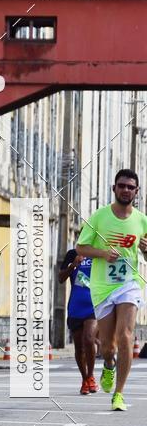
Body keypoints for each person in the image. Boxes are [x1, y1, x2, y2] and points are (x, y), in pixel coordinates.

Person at [76, 169, 147, 411]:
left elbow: (145, 252)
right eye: (122, 186)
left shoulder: (141, 220)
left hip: (129, 283)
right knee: (108, 346)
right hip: (102, 286)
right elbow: (81, 247)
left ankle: (119, 394)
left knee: (126, 335)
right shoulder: (98, 217)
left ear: (136, 192)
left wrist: (146, 249)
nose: (126, 190)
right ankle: (108, 364)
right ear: (114, 188)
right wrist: (104, 253)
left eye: (130, 187)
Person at [58, 250, 98, 394]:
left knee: (89, 338)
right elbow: (60, 278)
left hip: (94, 304)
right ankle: (85, 379)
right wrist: (73, 266)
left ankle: (91, 375)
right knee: (79, 347)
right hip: (76, 306)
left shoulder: (100, 253)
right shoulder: (72, 254)